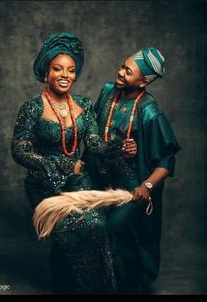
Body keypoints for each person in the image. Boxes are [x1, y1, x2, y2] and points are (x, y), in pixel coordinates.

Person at [11, 32, 126, 294]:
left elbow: (94, 142)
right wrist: (61, 164)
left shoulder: (84, 106)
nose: (65, 75)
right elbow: (19, 149)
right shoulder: (32, 108)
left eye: (71, 70)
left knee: (97, 225)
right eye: (58, 69)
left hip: (79, 182)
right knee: (75, 230)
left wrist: (115, 145)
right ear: (46, 71)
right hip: (45, 184)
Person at [83, 47, 181, 294]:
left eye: (128, 71)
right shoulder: (108, 92)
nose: (120, 72)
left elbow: (167, 161)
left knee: (117, 228)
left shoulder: (149, 111)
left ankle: (129, 286)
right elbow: (95, 132)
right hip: (100, 178)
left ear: (142, 82)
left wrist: (146, 186)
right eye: (122, 66)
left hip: (131, 186)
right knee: (90, 226)